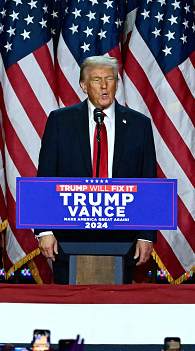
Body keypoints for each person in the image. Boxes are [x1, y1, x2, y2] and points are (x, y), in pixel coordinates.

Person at [36, 55, 157, 284]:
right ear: (83, 85)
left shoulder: (139, 124)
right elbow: (46, 177)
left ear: (117, 84)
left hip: (123, 237)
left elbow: (147, 180)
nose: (104, 85)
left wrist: (145, 234)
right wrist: (45, 230)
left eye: (109, 79)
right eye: (96, 79)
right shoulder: (60, 121)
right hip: (69, 236)